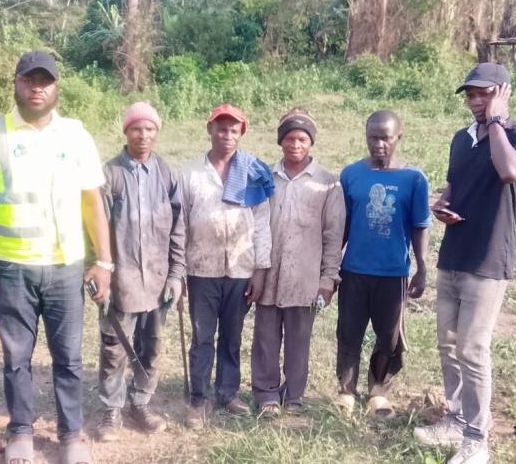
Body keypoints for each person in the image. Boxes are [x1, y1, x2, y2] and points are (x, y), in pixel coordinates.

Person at [0, 51, 111, 464]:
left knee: (68, 358)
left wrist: (104, 262)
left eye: (44, 81)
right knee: (16, 358)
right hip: (13, 269)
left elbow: (92, 203)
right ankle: (21, 433)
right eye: (29, 80)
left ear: (56, 88)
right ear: (15, 83)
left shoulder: (76, 135)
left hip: (65, 269)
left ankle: (71, 436)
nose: (37, 88)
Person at [414, 63, 516, 464]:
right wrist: (442, 206)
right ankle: (454, 418)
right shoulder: (461, 139)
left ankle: (476, 438)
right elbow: (455, 185)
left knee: (473, 347)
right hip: (453, 253)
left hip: (488, 259)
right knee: (448, 344)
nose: (474, 101)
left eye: (483, 93)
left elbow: (510, 170)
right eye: (470, 94)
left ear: (503, 92)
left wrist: (498, 122)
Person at [94, 102, 186, 441]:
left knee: (152, 347)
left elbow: (178, 229)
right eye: (136, 129)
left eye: (149, 129)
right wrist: (100, 274)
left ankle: (140, 403)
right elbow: (97, 228)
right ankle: (111, 410)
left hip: (159, 281)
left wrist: (176, 275)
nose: (143, 135)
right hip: (121, 282)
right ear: (126, 132)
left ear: (157, 133)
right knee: (115, 348)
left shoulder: (167, 174)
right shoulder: (110, 175)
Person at [180, 103, 273, 429]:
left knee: (232, 337)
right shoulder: (190, 174)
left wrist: (260, 271)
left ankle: (228, 392)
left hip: (240, 269)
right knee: (203, 336)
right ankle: (199, 397)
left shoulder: (253, 173)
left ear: (241, 133)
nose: (227, 135)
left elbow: (262, 224)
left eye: (234, 130)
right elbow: (181, 225)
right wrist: (177, 272)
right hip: (201, 269)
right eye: (221, 129)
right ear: (210, 130)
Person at [335, 110, 431, 419]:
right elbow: (344, 223)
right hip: (354, 270)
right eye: (372, 137)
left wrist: (422, 267)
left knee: (388, 336)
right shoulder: (351, 175)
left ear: (398, 138)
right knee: (348, 332)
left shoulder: (413, 179)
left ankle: (378, 391)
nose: (378, 144)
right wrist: (330, 263)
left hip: (393, 273)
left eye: (384, 138)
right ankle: (346, 391)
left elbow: (419, 225)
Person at [251, 107, 345, 417]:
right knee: (264, 338)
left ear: (311, 143)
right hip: (268, 273)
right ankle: (266, 394)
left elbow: (333, 236)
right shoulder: (266, 177)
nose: (295, 145)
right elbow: (254, 224)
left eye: (302, 139)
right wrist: (255, 269)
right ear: (281, 142)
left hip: (305, 279)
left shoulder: (328, 184)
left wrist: (327, 280)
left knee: (298, 340)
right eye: (289, 138)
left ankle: (293, 396)